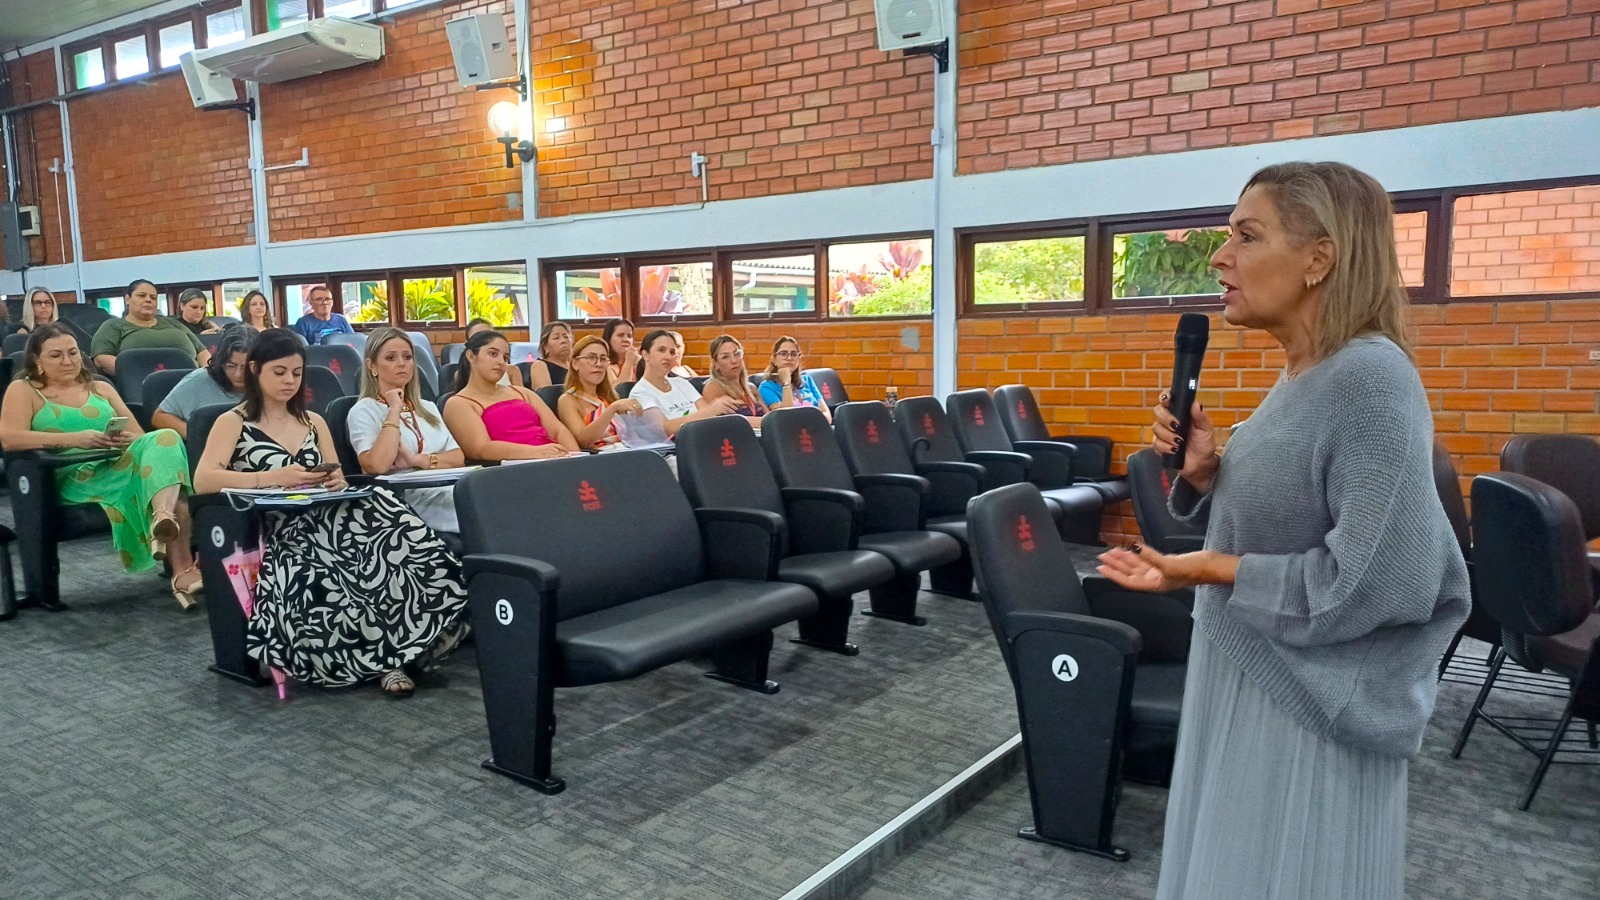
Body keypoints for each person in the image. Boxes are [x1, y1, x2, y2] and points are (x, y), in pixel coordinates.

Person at [1093, 162, 1470, 900]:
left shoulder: (1369, 379)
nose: (1219, 256)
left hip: (1307, 709)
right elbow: (1289, 514)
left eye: (1246, 235)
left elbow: (1371, 581)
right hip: (1257, 676)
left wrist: (1206, 569)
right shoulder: (1304, 371)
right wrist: (1207, 474)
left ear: (1318, 259)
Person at [192, 328, 467, 697]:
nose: (290, 381)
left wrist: (333, 481)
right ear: (255, 370)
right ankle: (390, 662)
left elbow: (334, 473)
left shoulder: (313, 421)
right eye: (279, 372)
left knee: (402, 543)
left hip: (329, 511)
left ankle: (408, 644)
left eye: (296, 373)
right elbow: (204, 479)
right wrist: (274, 478)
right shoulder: (234, 422)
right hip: (285, 526)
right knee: (346, 566)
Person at [0, 323, 201, 608]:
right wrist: (75, 439)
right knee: (172, 481)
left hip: (114, 464)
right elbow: (9, 438)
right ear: (36, 359)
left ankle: (162, 518)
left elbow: (141, 438)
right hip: (68, 475)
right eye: (55, 355)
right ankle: (181, 568)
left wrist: (124, 440)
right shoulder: (25, 390)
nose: (68, 361)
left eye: (72, 353)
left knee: (165, 439)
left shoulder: (101, 387)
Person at [347, 327, 466, 533]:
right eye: (391, 358)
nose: (402, 363)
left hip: (447, 489)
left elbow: (457, 457)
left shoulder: (427, 407)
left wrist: (416, 461)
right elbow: (375, 465)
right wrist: (393, 409)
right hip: (406, 500)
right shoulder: (363, 410)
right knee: (483, 510)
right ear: (371, 366)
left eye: (408, 357)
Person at [442, 328, 580, 461]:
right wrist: (538, 452)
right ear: (471, 356)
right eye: (493, 354)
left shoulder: (522, 392)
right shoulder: (458, 403)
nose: (501, 362)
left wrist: (575, 459)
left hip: (551, 459)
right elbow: (481, 449)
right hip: (511, 471)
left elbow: (558, 430)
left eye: (505, 357)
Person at [629, 329, 741, 437]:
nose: (668, 356)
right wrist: (711, 410)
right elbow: (664, 429)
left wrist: (716, 409)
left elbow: (706, 416)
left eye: (672, 352)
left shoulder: (680, 383)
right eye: (661, 350)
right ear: (645, 355)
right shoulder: (640, 393)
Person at [152, 325, 256, 438]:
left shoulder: (269, 383)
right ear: (220, 361)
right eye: (230, 366)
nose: (238, 374)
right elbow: (160, 417)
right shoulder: (199, 380)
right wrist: (199, 437)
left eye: (245, 368)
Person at [90, 279, 209, 375]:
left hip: (191, 381)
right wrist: (137, 373)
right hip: (141, 385)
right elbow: (101, 359)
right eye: (142, 296)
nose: (148, 300)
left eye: (153, 297)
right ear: (128, 299)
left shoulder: (172, 323)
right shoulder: (113, 326)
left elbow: (202, 351)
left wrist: (207, 374)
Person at [556, 334, 644, 450]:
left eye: (603, 359)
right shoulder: (567, 400)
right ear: (575, 364)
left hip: (629, 450)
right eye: (591, 358)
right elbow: (583, 441)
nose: (598, 364)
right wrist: (611, 409)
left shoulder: (608, 396)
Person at [758, 336, 831, 423]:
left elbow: (826, 414)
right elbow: (785, 417)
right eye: (783, 353)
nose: (789, 358)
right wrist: (787, 383)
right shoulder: (766, 387)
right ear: (774, 359)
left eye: (793, 354)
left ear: (798, 358)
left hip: (816, 428)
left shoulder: (807, 380)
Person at [700, 335, 768, 420]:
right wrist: (762, 423)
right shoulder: (713, 387)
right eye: (725, 357)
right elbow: (723, 423)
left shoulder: (751, 388)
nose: (734, 361)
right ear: (715, 364)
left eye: (737, 354)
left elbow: (769, 419)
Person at [464, 317, 524, 388]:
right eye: (478, 336)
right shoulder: (461, 374)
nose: (486, 340)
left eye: (490, 335)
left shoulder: (512, 371)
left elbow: (522, 397)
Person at [525, 321, 574, 389]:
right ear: (545, 347)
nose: (563, 341)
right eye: (556, 338)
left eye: (566, 337)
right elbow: (545, 395)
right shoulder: (540, 365)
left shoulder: (577, 365)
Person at [602, 317, 640, 384]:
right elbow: (619, 392)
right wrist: (629, 363)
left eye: (629, 336)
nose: (626, 339)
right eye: (620, 335)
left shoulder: (640, 361)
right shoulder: (605, 365)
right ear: (609, 339)